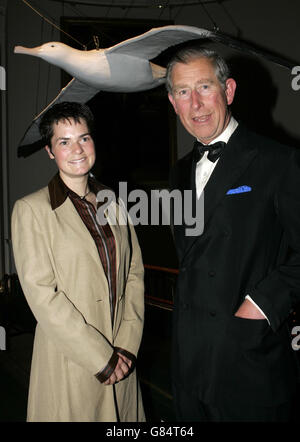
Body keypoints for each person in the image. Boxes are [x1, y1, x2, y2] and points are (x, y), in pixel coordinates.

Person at [167, 46, 300, 422]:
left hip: (248, 362)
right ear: (173, 103)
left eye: (205, 87)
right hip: (189, 363)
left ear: (228, 90)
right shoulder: (178, 172)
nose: (195, 103)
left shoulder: (279, 161)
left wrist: (262, 303)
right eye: (182, 92)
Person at [11, 102, 145, 422]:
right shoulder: (31, 210)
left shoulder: (113, 202)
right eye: (64, 141)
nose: (77, 149)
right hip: (72, 359)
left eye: (83, 138)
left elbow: (134, 273)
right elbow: (43, 296)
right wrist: (101, 357)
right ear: (49, 151)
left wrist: (126, 346)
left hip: (122, 356)